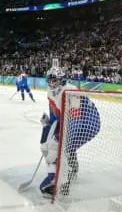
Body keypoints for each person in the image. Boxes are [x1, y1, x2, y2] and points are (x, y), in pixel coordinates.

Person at [39, 67, 100, 197]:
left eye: (54, 81)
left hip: (89, 123)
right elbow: (55, 116)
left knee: (62, 148)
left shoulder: (71, 91)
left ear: (61, 80)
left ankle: (63, 180)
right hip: (72, 121)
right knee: (59, 146)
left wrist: (60, 138)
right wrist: (49, 126)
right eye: (49, 81)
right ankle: (70, 171)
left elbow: (75, 120)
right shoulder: (50, 92)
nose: (51, 84)